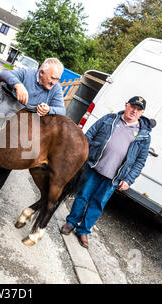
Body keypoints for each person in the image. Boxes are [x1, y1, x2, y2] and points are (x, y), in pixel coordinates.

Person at [0, 58, 66, 214]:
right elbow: (3, 74)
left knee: (7, 164)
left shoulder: (55, 89)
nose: (55, 82)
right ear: (41, 72)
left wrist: (49, 109)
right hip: (5, 120)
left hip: (24, 131)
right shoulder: (26, 74)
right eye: (53, 78)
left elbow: (62, 110)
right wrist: (17, 84)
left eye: (58, 79)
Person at [60, 96, 152, 248]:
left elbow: (140, 161)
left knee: (98, 204)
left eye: (138, 109)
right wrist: (83, 155)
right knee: (82, 196)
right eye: (132, 107)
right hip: (94, 167)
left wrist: (129, 179)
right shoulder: (109, 119)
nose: (134, 111)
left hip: (114, 177)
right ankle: (71, 222)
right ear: (126, 105)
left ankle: (83, 231)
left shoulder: (144, 136)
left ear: (142, 113)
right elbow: (89, 135)